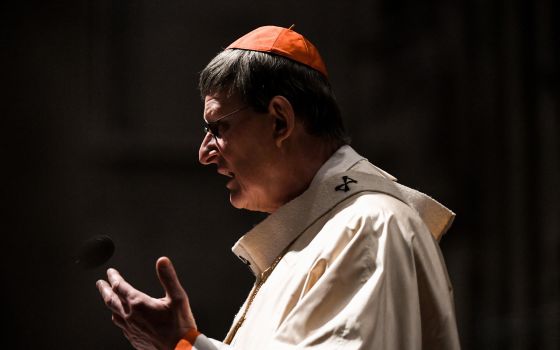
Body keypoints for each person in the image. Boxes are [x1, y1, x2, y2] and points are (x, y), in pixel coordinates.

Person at [96, 25, 461, 350]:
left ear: (280, 121)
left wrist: (184, 347)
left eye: (218, 128)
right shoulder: (329, 233)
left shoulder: (369, 227)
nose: (204, 153)